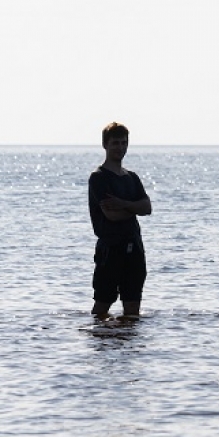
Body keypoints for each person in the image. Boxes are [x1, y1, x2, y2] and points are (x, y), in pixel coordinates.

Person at [88, 122, 152, 318]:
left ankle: (128, 347)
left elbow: (147, 208)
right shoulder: (99, 177)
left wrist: (123, 204)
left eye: (124, 143)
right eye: (115, 143)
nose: (120, 147)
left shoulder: (131, 177)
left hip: (134, 247)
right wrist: (134, 207)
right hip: (110, 248)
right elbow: (112, 215)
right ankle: (102, 344)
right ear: (105, 145)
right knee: (102, 306)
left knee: (132, 310)